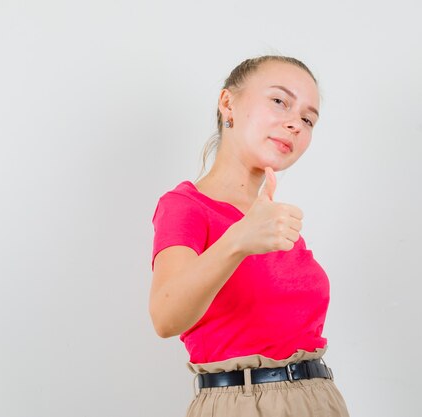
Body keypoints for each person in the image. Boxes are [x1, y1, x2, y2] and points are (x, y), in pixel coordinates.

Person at [149, 55, 350, 417]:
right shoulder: (186, 207)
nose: (295, 125)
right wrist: (238, 240)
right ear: (228, 103)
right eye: (279, 101)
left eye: (308, 119)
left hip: (319, 399)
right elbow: (165, 316)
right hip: (242, 403)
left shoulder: (272, 220)